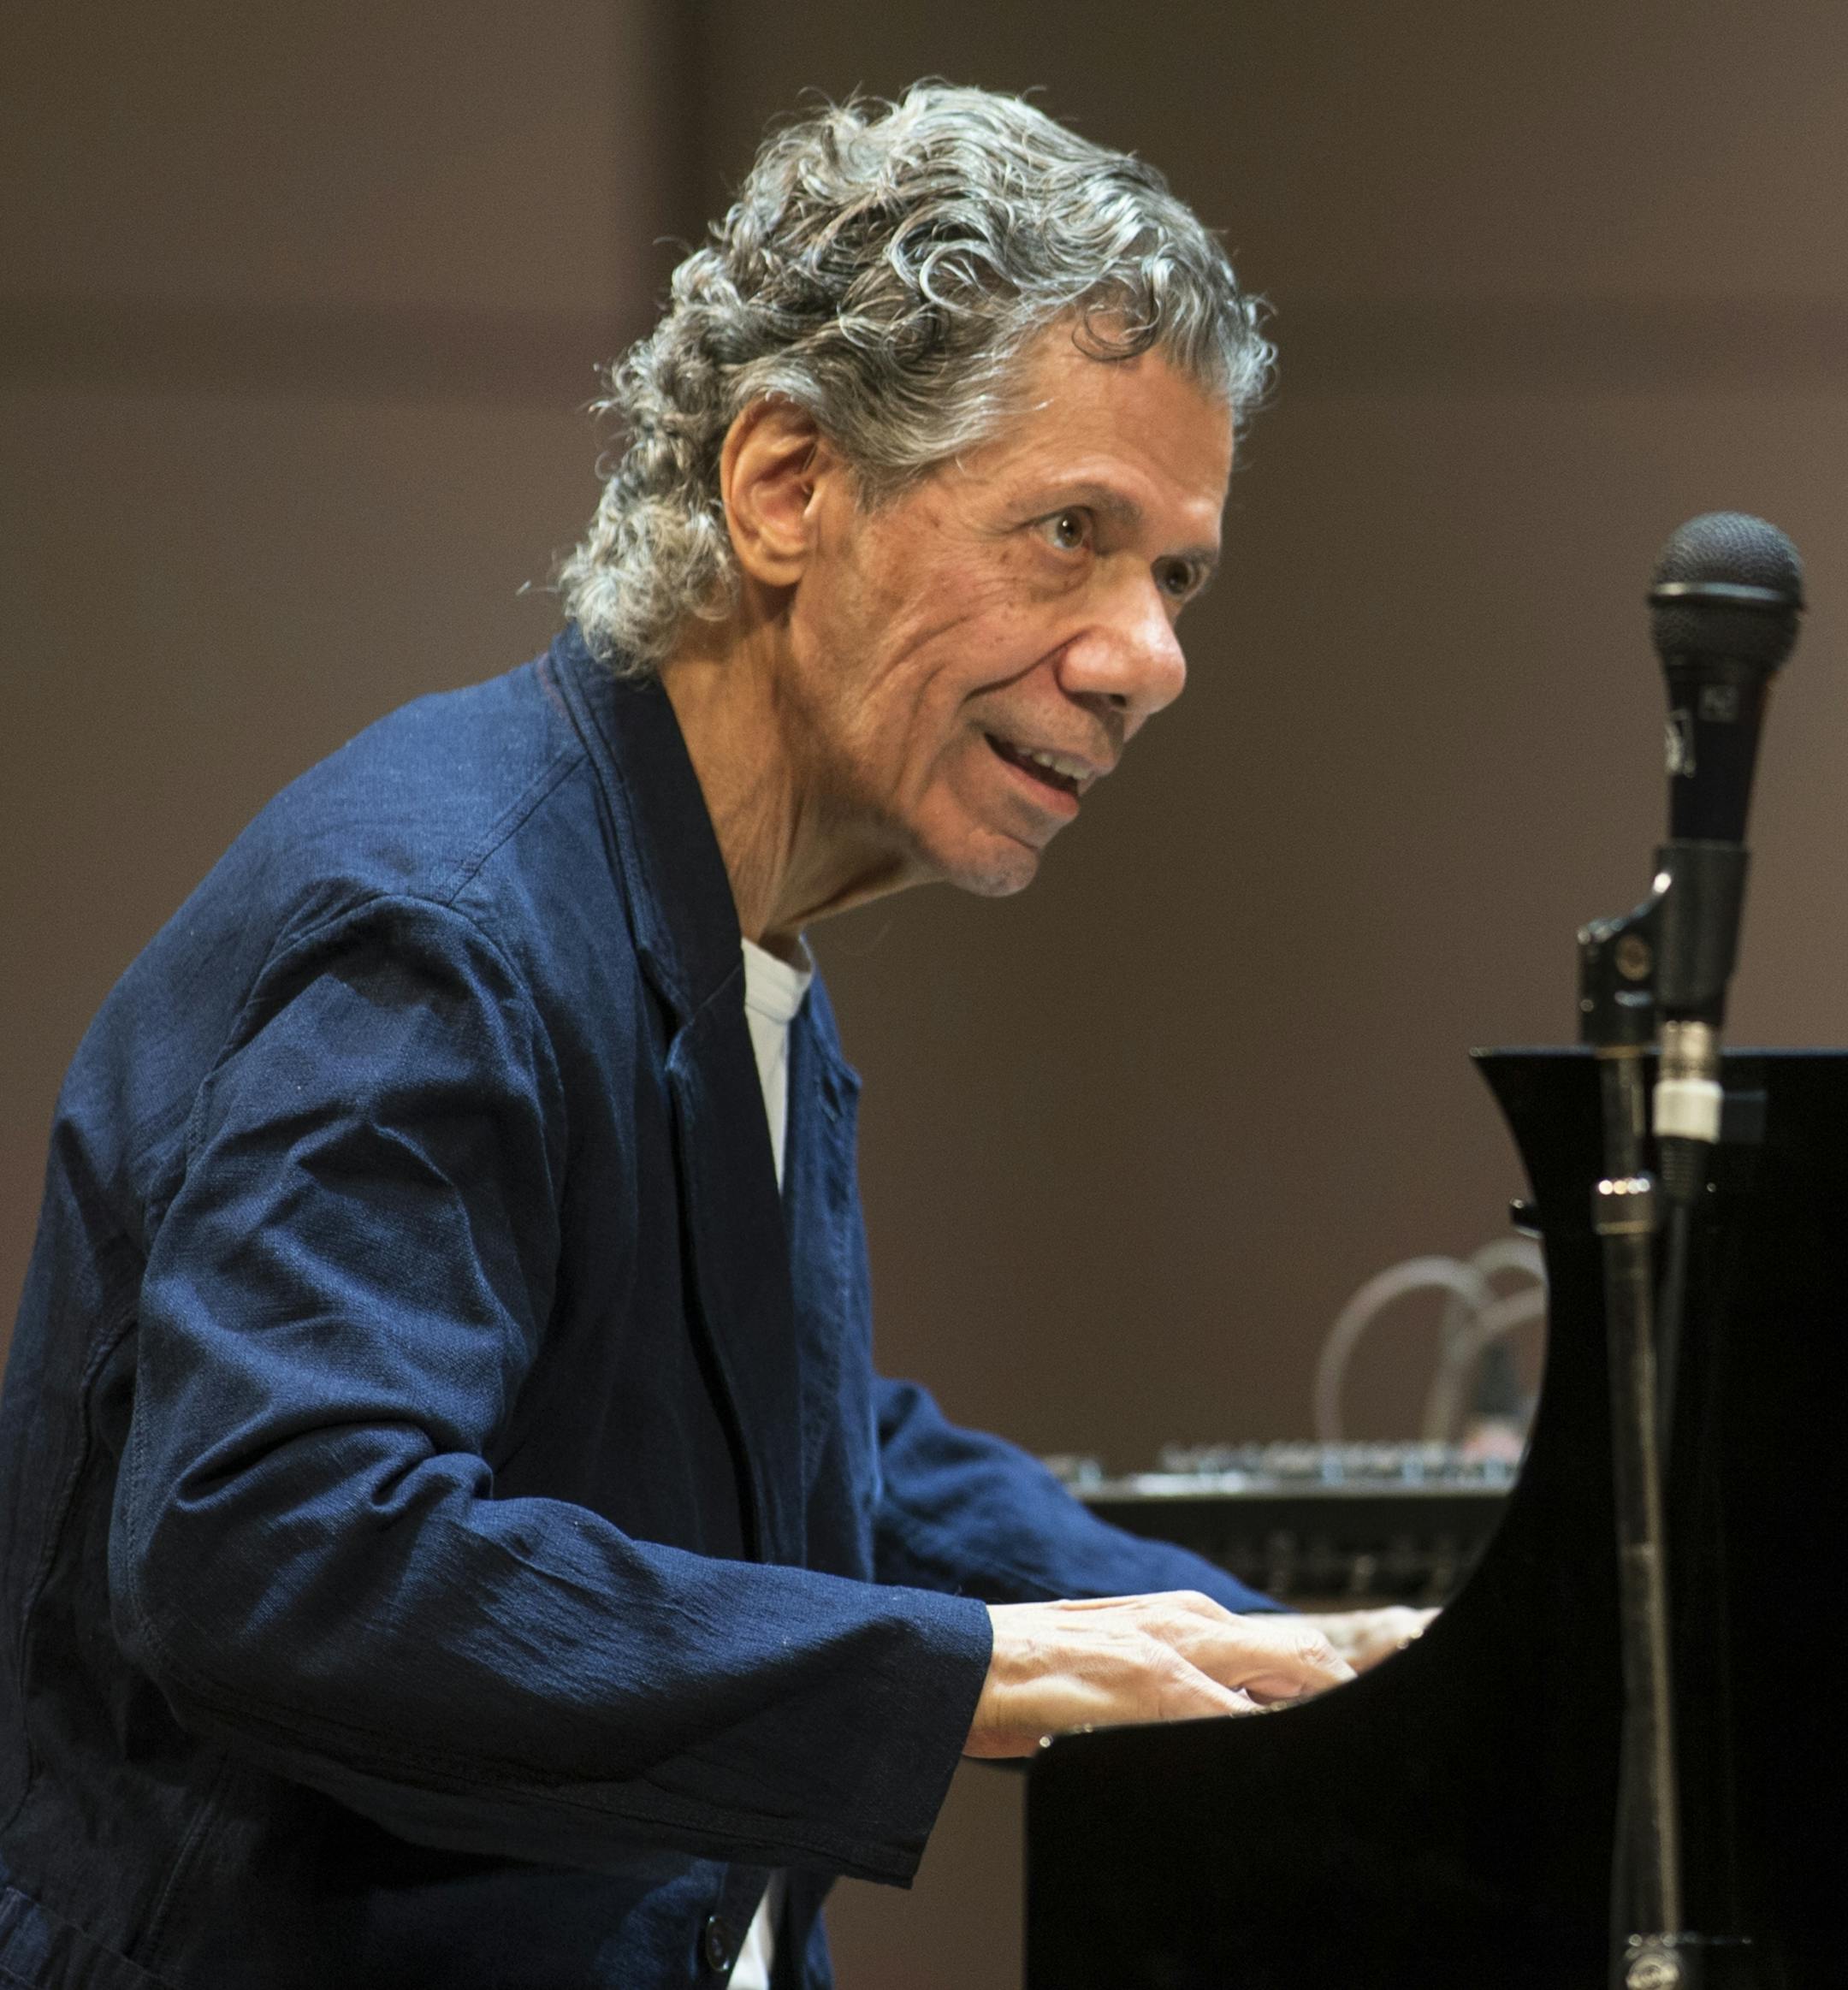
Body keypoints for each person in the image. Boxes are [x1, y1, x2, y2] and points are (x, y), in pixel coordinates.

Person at [0, 85, 1420, 1990]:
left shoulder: (723, 918)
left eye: (1174, 573)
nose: (1145, 655)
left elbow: (786, 1431)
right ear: (784, 487)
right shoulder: (445, 918)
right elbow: (279, 1544)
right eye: (1070, 532)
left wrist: (1236, 1640)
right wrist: (962, 1670)